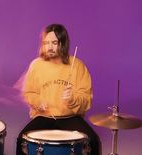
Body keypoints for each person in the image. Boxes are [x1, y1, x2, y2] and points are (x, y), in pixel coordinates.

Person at [16, 24, 101, 155]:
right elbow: (29, 92)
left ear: (63, 42)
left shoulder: (78, 65)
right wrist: (38, 102)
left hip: (70, 117)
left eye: (54, 42)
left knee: (93, 140)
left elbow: (86, 98)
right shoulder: (36, 65)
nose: (49, 47)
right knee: (21, 139)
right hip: (44, 116)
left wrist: (72, 99)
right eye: (46, 43)